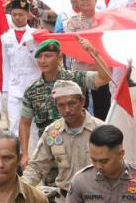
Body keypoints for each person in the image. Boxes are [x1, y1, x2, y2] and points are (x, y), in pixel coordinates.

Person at [19, 38, 111, 167]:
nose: (43, 60)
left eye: (48, 56)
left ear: (59, 57)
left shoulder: (76, 78)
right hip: (52, 157)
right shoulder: (32, 91)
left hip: (80, 151)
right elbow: (24, 123)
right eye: (39, 57)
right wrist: (24, 154)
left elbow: (105, 77)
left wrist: (93, 53)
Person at [1, 0, 41, 143]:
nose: (17, 18)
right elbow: (5, 64)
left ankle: (38, 157)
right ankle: (17, 159)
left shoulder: (36, 35)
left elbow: (41, 63)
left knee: (37, 125)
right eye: (14, 14)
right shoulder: (5, 37)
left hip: (34, 84)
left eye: (21, 14)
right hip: (14, 86)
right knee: (14, 124)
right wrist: (5, 89)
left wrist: (31, 48)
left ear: (28, 15)